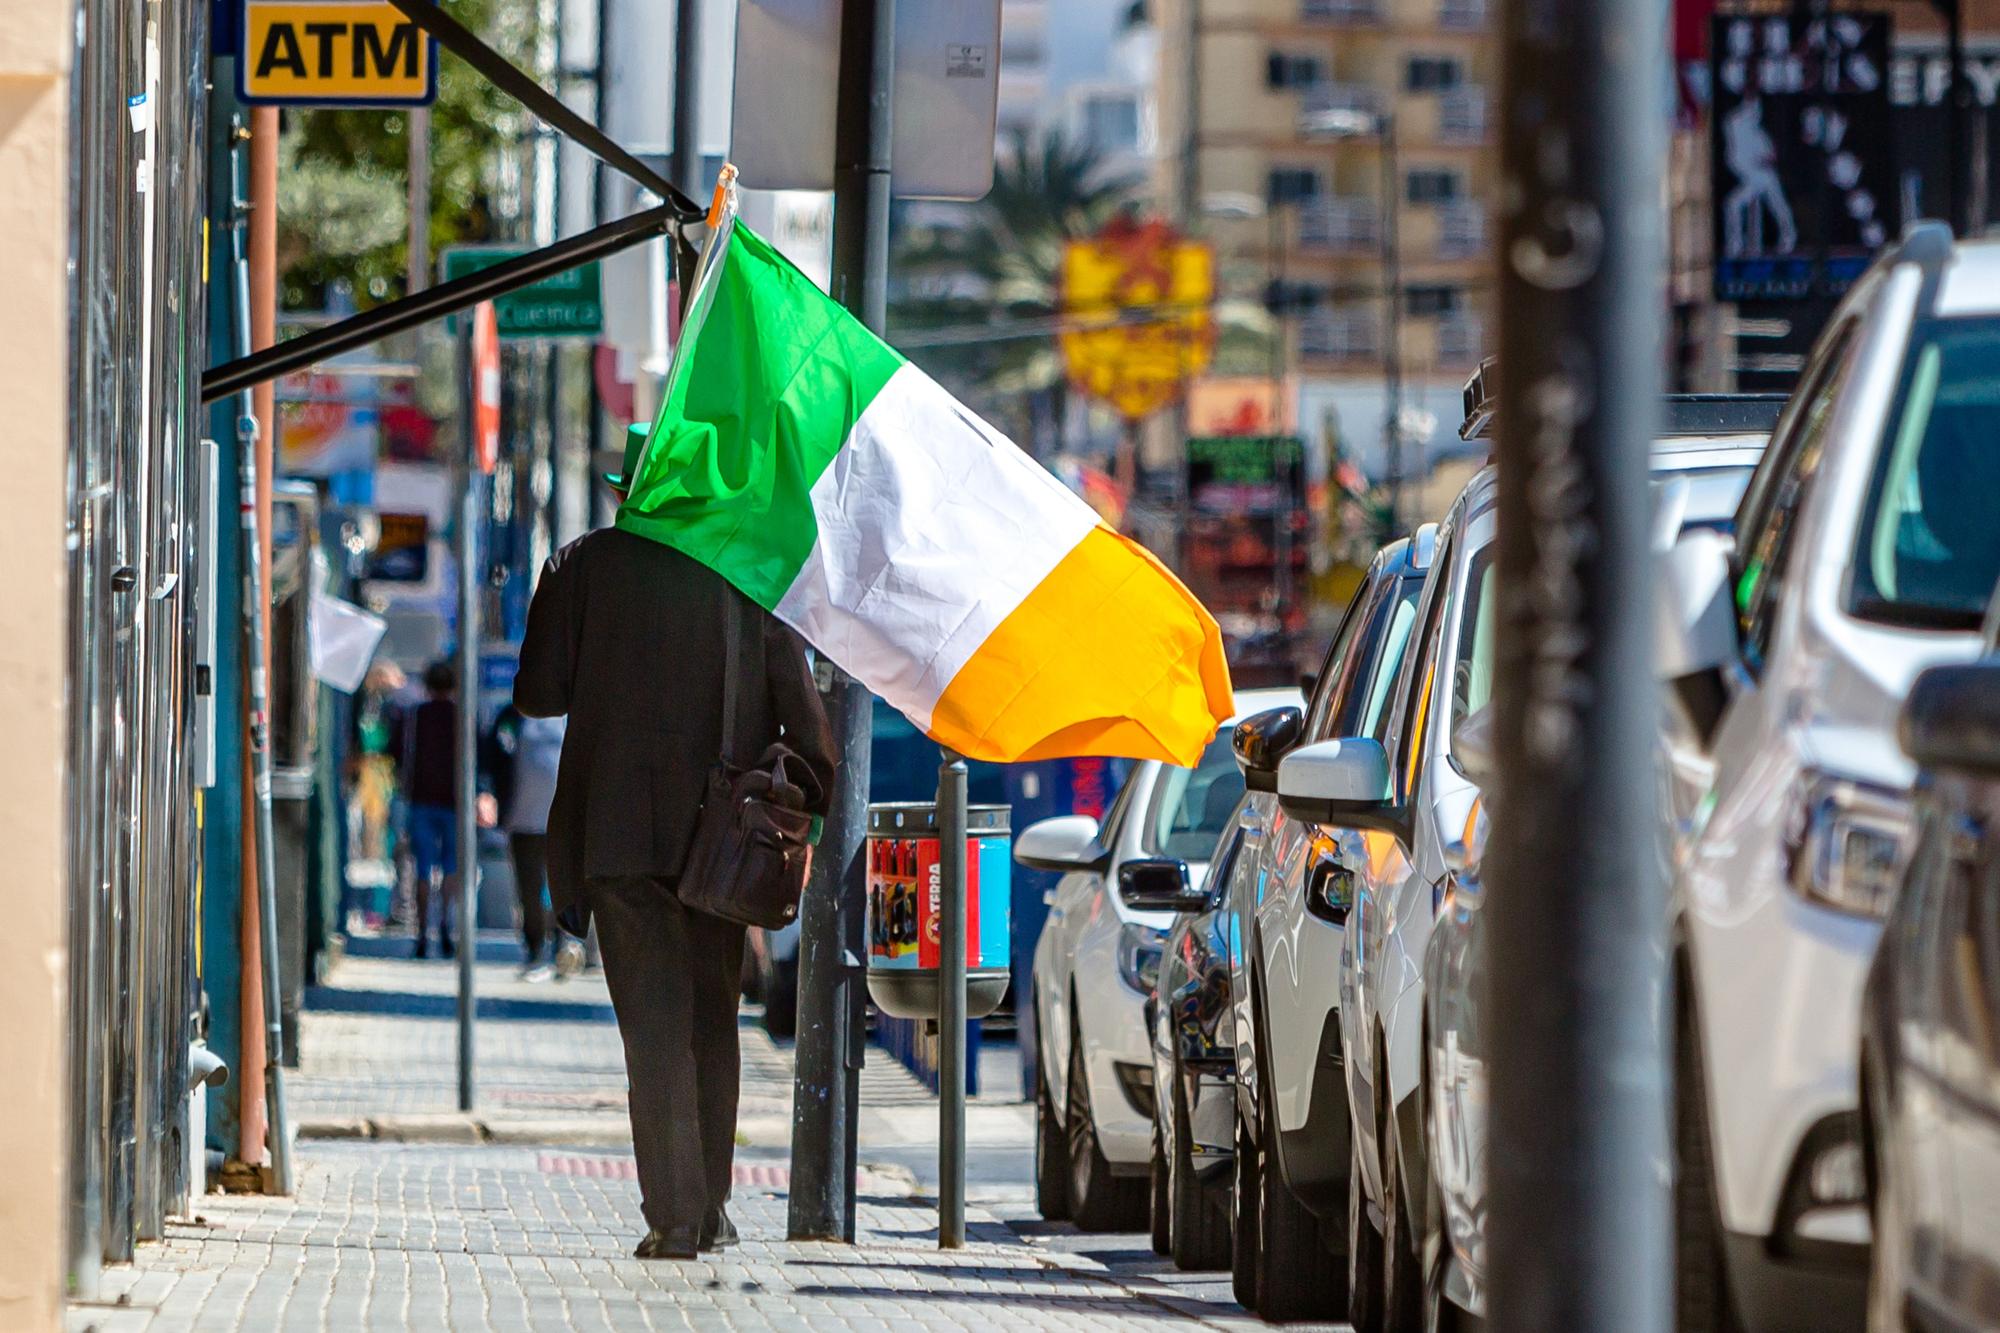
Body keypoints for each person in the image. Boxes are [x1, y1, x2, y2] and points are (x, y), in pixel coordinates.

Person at [514, 448, 836, 1261]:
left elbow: (536, 693)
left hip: (617, 834)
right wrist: (802, 806)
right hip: (722, 841)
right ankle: (715, 1203)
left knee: (652, 1028)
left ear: (628, 490)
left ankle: (676, 1215)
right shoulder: (742, 580)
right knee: (710, 1019)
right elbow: (809, 733)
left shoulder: (582, 565)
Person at [484, 701, 570, 982]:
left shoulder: (572, 714)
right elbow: (491, 757)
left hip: (564, 822)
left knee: (563, 887)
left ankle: (564, 946)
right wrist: (487, 794)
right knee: (529, 889)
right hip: (521, 820)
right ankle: (535, 949)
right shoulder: (510, 715)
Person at [396, 659, 461, 959]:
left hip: (420, 800)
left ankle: (422, 932)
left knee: (422, 867)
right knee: (450, 867)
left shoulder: (414, 717)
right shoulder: (462, 717)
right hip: (453, 802)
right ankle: (446, 924)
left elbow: (397, 753)